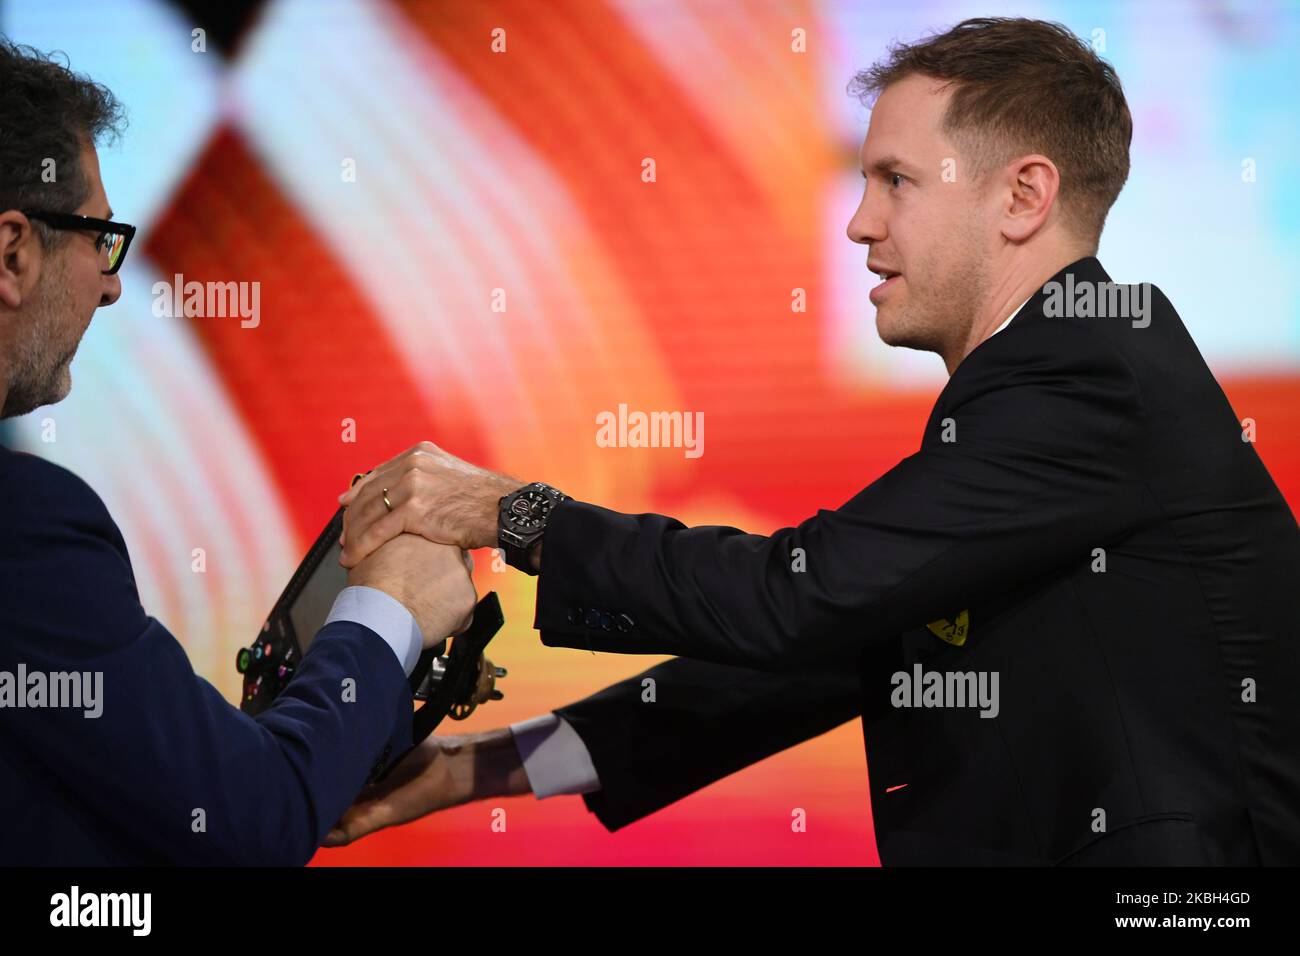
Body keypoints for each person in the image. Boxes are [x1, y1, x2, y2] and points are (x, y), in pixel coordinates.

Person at [325, 18, 1300, 865]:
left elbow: (794, 597)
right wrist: (466, 769)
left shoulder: (1093, 370)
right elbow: (808, 658)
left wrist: (512, 512)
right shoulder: (1060, 386)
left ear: (1021, 197)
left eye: (895, 181)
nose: (857, 222)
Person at [0, 39, 477, 865]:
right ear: (13, 254)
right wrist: (388, 608)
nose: (112, 284)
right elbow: (251, 821)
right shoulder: (26, 524)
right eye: (99, 239)